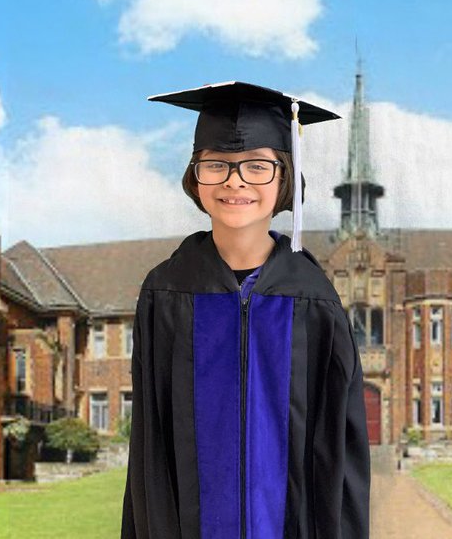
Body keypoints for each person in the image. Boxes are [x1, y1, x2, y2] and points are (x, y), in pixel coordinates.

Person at [122, 82, 371, 539]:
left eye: (257, 166)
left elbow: (343, 445)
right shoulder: (165, 293)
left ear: (284, 180)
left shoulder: (314, 300)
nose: (235, 180)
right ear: (195, 177)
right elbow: (150, 448)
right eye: (216, 164)